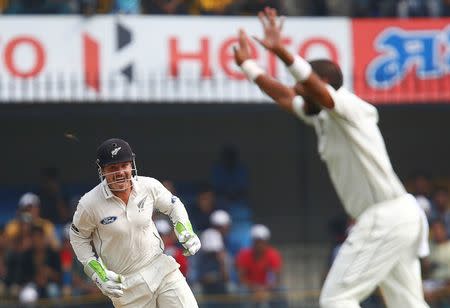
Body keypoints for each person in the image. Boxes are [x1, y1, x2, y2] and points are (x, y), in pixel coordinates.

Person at [233, 7, 430, 308]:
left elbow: (316, 90)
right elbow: (285, 96)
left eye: (303, 86)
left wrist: (282, 52)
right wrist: (249, 66)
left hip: (385, 215)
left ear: (321, 85)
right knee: (408, 304)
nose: (297, 92)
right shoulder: (321, 118)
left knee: (337, 299)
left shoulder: (352, 108)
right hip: (396, 218)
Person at [69, 138, 201, 307]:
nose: (120, 172)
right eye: (113, 168)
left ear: (132, 165)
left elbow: (173, 205)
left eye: (124, 165)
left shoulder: (148, 186)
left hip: (161, 269)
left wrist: (186, 230)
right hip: (126, 286)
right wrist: (97, 273)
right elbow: (78, 237)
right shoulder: (89, 204)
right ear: (102, 170)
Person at [235, 224, 285, 307]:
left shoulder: (273, 255)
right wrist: (254, 288)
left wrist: (265, 289)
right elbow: (241, 278)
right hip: (250, 288)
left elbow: (277, 279)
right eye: (256, 241)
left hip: (268, 288)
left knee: (281, 290)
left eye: (261, 241)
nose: (259, 244)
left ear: (266, 241)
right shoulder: (244, 255)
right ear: (252, 241)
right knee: (241, 291)